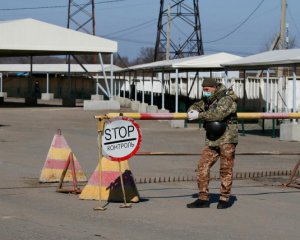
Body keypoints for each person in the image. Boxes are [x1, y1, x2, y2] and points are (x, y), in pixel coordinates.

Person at [187, 78, 238, 209]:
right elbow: (196, 106)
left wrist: (199, 116)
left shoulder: (226, 99)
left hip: (227, 138)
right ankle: (203, 198)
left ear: (215, 87)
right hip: (212, 138)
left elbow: (217, 115)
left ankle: (224, 198)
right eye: (203, 89)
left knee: (225, 169)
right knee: (202, 166)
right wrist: (193, 110)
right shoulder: (209, 100)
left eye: (207, 89)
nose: (205, 92)